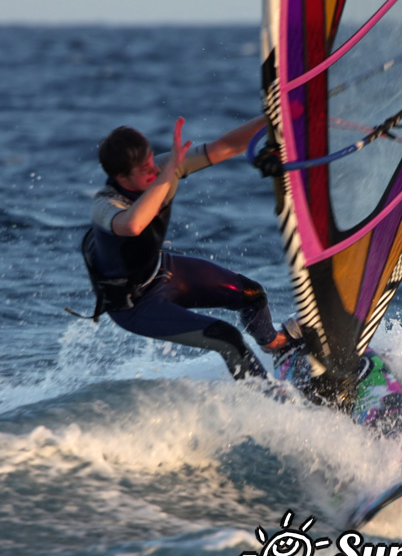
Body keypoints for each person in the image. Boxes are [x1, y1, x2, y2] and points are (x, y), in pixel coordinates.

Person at [80, 115, 290, 380]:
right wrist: (169, 172)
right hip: (135, 305)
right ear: (121, 177)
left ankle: (276, 344)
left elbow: (225, 146)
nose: (152, 170)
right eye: (143, 170)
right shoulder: (104, 204)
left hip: (163, 271)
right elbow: (133, 225)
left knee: (252, 295)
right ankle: (273, 400)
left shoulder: (162, 167)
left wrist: (276, 116)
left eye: (151, 161)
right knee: (227, 338)